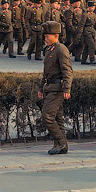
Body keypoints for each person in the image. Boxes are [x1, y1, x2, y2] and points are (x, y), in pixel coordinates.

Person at [38, 21, 73, 155]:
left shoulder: (61, 49)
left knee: (47, 116)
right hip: (49, 87)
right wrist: (41, 88)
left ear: (56, 35)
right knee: (57, 118)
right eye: (45, 36)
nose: (45, 38)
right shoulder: (48, 49)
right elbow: (46, 71)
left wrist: (67, 89)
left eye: (48, 36)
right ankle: (61, 145)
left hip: (58, 88)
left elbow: (67, 71)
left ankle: (61, 141)